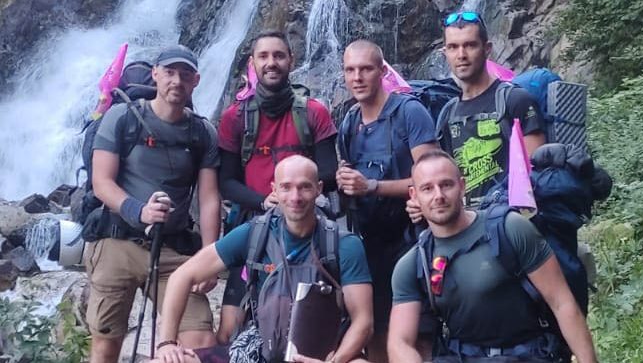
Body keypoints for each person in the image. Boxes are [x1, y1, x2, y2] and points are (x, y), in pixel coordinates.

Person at [154, 155, 373, 363]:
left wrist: (334, 361)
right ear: (274, 190)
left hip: (323, 352)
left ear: (319, 189)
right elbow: (182, 276)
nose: (295, 197)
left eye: (305, 187)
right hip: (260, 348)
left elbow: (363, 322)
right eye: (286, 187)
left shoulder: (344, 244)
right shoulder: (254, 233)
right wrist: (167, 343)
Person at [388, 151, 599, 363]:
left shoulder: (510, 228)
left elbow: (562, 303)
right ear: (414, 195)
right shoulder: (414, 263)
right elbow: (400, 342)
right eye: (427, 188)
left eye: (446, 185)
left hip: (529, 354)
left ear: (462, 186)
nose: (438, 196)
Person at [86, 44, 221, 363]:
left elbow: (209, 198)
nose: (177, 81)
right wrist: (139, 211)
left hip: (172, 249)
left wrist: (210, 258)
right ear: (155, 74)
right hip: (117, 241)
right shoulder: (122, 117)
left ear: (196, 81)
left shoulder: (203, 133)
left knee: (200, 341)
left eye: (185, 74)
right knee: (106, 344)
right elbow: (102, 182)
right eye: (170, 72)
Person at [216, 30, 339, 341]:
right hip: (253, 230)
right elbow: (226, 182)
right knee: (229, 329)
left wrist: (291, 196)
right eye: (264, 56)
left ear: (291, 61)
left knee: (302, 324)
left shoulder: (314, 112)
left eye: (279, 55)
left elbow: (329, 172)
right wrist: (263, 202)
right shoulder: (235, 118)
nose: (271, 62)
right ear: (252, 63)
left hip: (306, 231)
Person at [337, 40, 438, 363]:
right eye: (350, 70)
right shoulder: (349, 122)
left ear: (382, 71)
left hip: (412, 240)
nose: (357, 77)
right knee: (376, 332)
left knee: (417, 334)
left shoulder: (410, 112)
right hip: (368, 244)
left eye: (366, 69)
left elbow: (432, 179)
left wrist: (372, 186)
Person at [436, 10, 545, 204]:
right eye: (453, 47)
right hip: (467, 217)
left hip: (512, 215)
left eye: (470, 45)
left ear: (487, 49)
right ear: (445, 54)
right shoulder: (447, 114)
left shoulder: (515, 100)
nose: (461, 55)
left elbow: (536, 172)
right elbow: (444, 178)